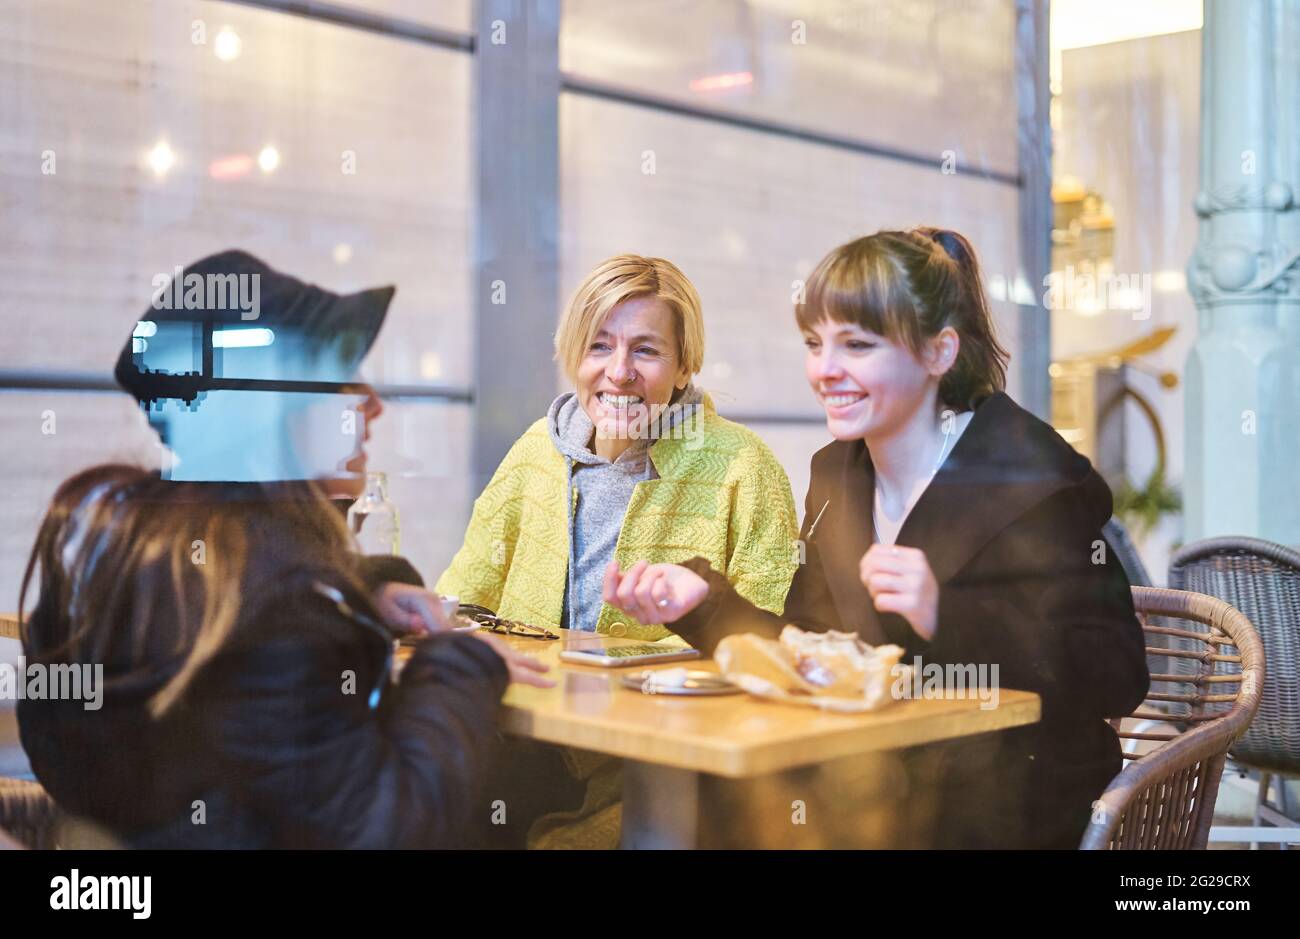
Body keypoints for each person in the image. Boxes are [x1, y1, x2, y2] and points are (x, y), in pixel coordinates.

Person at [603, 228, 1151, 849]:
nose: (825, 371)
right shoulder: (837, 473)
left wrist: (948, 615)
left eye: (857, 346)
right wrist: (702, 603)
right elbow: (813, 652)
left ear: (939, 352)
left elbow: (1119, 675)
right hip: (875, 790)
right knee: (710, 801)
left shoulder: (1032, 476)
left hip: (1006, 805)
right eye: (816, 344)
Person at [17, 250, 550, 849]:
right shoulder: (280, 606)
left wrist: (366, 591)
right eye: (344, 382)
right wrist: (457, 661)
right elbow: (392, 827)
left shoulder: (128, 539)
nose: (373, 404)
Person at [437, 253, 799, 847]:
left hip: (655, 765)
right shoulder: (536, 451)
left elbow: (767, 651)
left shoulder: (743, 466)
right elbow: (460, 598)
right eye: (599, 346)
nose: (619, 372)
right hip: (522, 740)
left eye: (647, 350)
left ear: (685, 365)